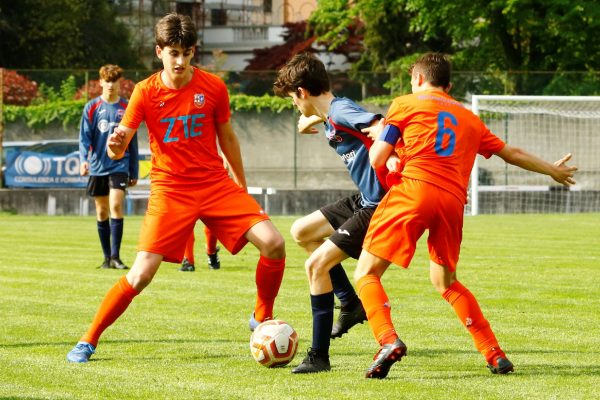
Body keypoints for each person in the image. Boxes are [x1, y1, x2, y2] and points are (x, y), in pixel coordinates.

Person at [67, 13, 286, 363]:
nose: (180, 61)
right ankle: (88, 339)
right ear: (159, 52)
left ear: (194, 51)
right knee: (140, 274)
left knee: (274, 243)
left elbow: (227, 137)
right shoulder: (144, 92)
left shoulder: (214, 87)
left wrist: (241, 186)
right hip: (170, 190)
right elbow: (117, 147)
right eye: (173, 53)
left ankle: (262, 316)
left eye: (186, 52)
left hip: (215, 185)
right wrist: (115, 144)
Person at [355, 52, 578, 379]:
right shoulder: (470, 117)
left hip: (414, 190)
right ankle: (494, 353)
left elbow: (377, 158)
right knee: (445, 281)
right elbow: (510, 153)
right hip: (452, 202)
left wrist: (384, 139)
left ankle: (387, 340)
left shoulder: (405, 104)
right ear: (449, 85)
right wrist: (551, 170)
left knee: (366, 274)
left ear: (418, 79)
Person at [273, 52, 395, 373]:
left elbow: (379, 125)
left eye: (293, 100)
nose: (295, 106)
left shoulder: (341, 110)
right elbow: (334, 119)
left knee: (316, 266)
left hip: (379, 206)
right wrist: (310, 120)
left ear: (302, 92)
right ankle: (350, 303)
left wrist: (388, 147)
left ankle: (319, 357)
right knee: (302, 231)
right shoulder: (333, 109)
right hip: (364, 198)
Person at [79, 64, 139, 270]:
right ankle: (106, 258)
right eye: (108, 80)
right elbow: (84, 137)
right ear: (101, 82)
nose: (111, 85)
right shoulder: (92, 107)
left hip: (119, 165)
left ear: (120, 83)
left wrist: (134, 170)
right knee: (102, 211)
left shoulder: (127, 107)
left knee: (116, 206)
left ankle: (116, 256)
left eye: (115, 81)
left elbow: (133, 141)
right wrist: (83, 160)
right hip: (97, 166)